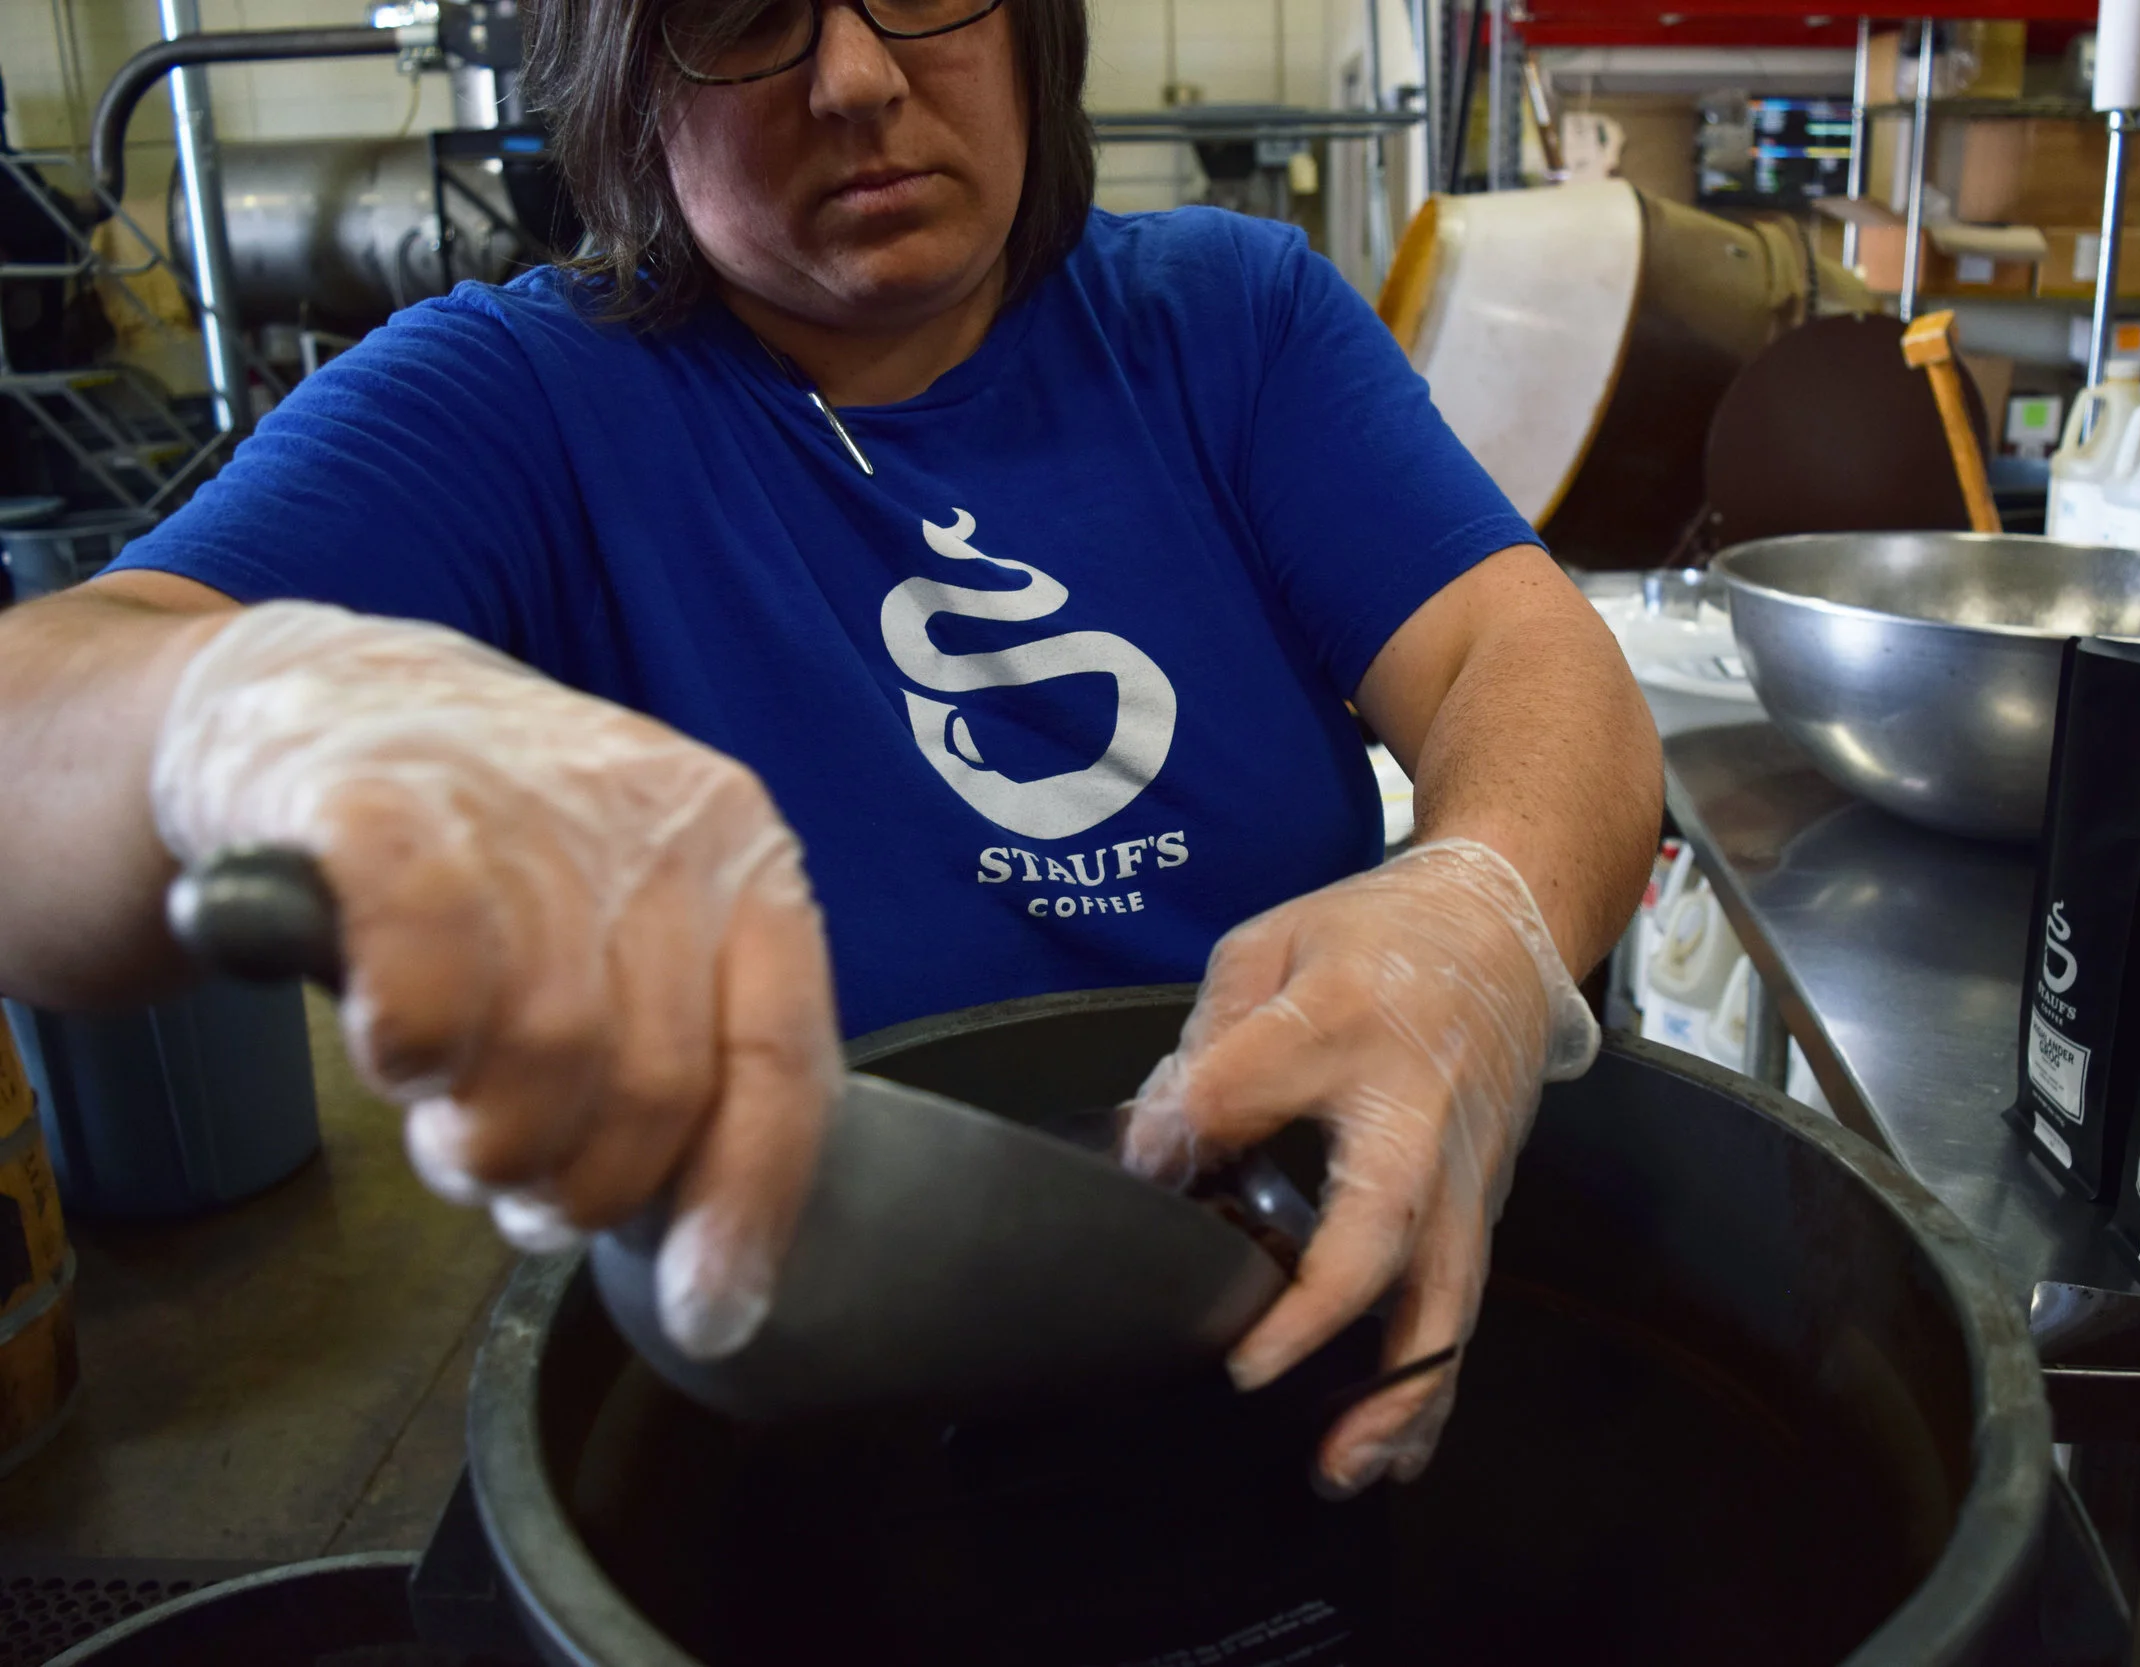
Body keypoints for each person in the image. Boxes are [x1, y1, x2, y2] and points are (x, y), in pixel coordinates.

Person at [0, 0, 1659, 1496]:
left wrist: (1478, 904)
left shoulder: (1232, 324)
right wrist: (240, 716)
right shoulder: (519, 406)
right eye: (744, 15)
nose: (857, 76)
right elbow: (41, 715)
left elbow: (1521, 654)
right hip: (818, 1400)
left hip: (1311, 1311)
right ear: (626, 81)